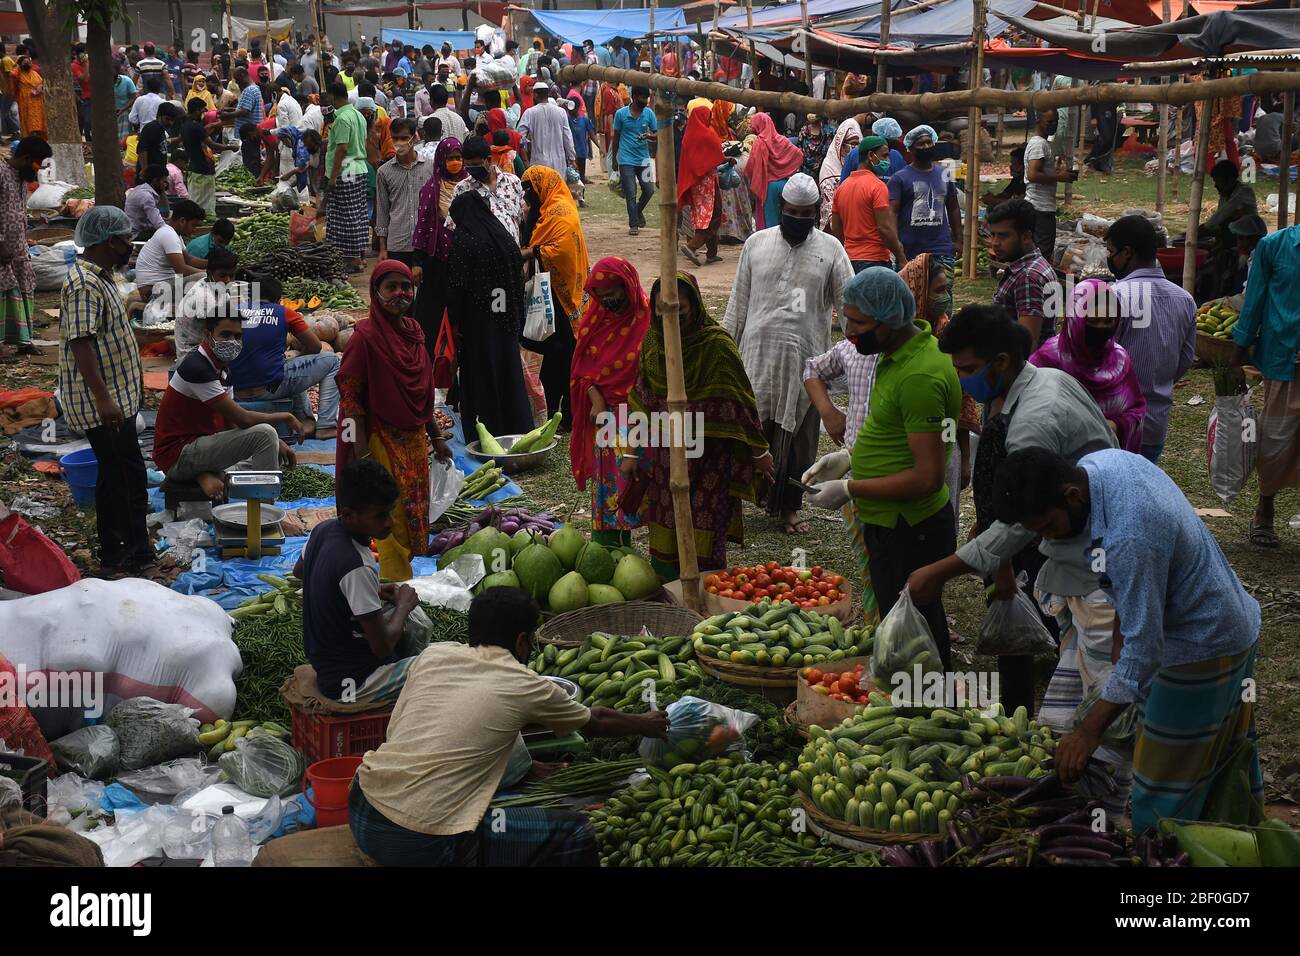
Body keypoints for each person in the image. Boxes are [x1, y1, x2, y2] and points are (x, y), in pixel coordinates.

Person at [992, 447, 1261, 834]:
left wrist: (1087, 732)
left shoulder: (1130, 536)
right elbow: (1134, 591)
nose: (1047, 538)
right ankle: (1246, 846)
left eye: (1048, 526)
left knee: (1163, 790)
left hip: (1201, 644)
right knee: (1226, 766)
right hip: (1225, 622)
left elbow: (1145, 652)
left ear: (1071, 495)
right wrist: (1123, 630)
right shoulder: (1102, 466)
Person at [349, 586, 667, 866]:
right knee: (575, 830)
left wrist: (524, 768)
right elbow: (595, 721)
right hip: (418, 839)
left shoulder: (434, 655)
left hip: (362, 806)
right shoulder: (523, 682)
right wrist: (645, 723)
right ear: (521, 641)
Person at [904, 303, 1118, 718]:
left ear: (1000, 361)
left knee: (1098, 657)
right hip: (1073, 533)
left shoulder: (1034, 420)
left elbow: (1021, 521)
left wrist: (941, 571)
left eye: (967, 370)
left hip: (1087, 547)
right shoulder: (1040, 380)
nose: (962, 380)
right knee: (1075, 649)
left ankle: (1090, 742)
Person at [802, 268, 960, 671]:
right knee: (899, 622)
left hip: (911, 526)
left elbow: (928, 477)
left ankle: (927, 708)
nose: (849, 330)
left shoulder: (921, 374)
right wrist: (850, 459)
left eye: (858, 322)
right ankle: (910, 699)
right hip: (889, 520)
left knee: (916, 629)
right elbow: (893, 436)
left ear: (889, 318)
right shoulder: (892, 356)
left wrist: (851, 489)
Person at [725, 174, 853, 534]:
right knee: (750, 433)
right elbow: (738, 304)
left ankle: (789, 509)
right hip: (757, 358)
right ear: (781, 209)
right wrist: (724, 350)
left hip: (806, 363)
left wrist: (859, 351)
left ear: (816, 212)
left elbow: (847, 309)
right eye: (792, 211)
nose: (798, 218)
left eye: (806, 213)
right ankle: (744, 503)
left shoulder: (831, 250)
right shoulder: (755, 244)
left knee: (799, 441)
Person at [624, 272, 772, 577]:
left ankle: (707, 590)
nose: (671, 318)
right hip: (666, 455)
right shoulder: (653, 342)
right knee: (666, 522)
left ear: (695, 306)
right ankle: (669, 589)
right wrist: (630, 452)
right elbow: (642, 397)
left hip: (710, 459)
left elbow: (741, 402)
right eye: (663, 310)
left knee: (704, 525)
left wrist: (758, 452)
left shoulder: (716, 345)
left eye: (680, 309)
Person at [336, 260, 451, 580]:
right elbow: (351, 399)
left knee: (415, 510)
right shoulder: (365, 338)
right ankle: (392, 585)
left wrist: (437, 436)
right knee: (390, 515)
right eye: (391, 287)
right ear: (375, 292)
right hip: (381, 440)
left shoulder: (414, 333)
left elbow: (423, 393)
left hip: (415, 443)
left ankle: (402, 579)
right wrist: (363, 457)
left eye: (406, 286)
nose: (400, 293)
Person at [57, 207, 152, 574]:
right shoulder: (84, 284)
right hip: (104, 403)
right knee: (120, 478)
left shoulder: (102, 277)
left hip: (116, 398)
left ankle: (132, 550)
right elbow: (81, 344)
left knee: (125, 472)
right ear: (110, 241)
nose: (130, 245)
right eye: (126, 239)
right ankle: (122, 555)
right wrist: (104, 399)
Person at [153, 313, 303, 500]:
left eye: (237, 336)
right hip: (178, 454)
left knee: (271, 448)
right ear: (208, 336)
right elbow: (243, 418)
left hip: (200, 447)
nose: (232, 341)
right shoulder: (197, 367)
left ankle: (206, 474)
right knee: (265, 434)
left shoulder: (223, 367)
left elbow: (231, 422)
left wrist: (276, 443)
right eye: (225, 335)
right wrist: (286, 417)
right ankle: (265, 509)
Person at [569, 258, 653, 548]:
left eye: (613, 295)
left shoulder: (648, 321)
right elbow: (582, 370)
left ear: (627, 286)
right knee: (610, 488)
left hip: (645, 417)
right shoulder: (595, 321)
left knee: (646, 487)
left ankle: (662, 558)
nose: (607, 302)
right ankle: (610, 551)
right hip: (608, 418)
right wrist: (596, 400)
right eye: (601, 297)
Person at [1105, 214, 1196, 463]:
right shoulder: (1185, 300)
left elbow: (1098, 360)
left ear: (1127, 253)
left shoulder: (1115, 296)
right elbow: (1185, 360)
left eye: (1111, 251)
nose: (1109, 257)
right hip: (1155, 424)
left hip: (1114, 423)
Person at [1232, 219, 1300, 548]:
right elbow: (1254, 300)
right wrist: (1238, 351)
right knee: (1275, 439)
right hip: (1284, 359)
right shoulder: (1275, 247)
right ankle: (1265, 510)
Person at [446, 190, 534, 440]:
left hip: (478, 323)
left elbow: (457, 287)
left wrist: (454, 320)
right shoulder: (503, 238)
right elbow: (517, 278)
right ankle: (516, 428)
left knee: (482, 376)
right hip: (506, 320)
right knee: (508, 373)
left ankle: (486, 431)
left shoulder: (465, 241)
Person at [899, 255, 979, 514]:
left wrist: (965, 459)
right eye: (939, 290)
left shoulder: (948, 333)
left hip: (947, 442)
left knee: (944, 514)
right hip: (902, 446)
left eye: (947, 290)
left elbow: (963, 400)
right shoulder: (894, 342)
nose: (945, 297)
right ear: (917, 291)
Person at [1029, 278, 1147, 453]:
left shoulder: (1119, 359)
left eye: (1108, 322)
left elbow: (1137, 409)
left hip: (1108, 458)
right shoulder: (1048, 360)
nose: (1101, 328)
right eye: (1093, 321)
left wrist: (1115, 426)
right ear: (1075, 319)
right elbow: (1030, 412)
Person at [227, 275, 341, 442]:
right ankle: (327, 426)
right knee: (333, 361)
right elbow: (316, 347)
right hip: (268, 389)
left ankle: (305, 419)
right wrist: (300, 357)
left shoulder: (234, 311)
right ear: (278, 300)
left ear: (251, 297)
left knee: (287, 366)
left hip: (233, 391)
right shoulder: (284, 312)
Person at [519, 166, 590, 431]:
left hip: (563, 294)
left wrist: (530, 253)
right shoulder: (544, 211)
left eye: (530, 188)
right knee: (551, 360)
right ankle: (556, 414)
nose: (527, 194)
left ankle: (569, 416)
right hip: (548, 291)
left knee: (563, 358)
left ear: (543, 187)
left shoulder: (562, 212)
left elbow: (560, 251)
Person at [890, 125, 962, 312]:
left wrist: (958, 239)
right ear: (911, 149)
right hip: (910, 252)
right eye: (921, 144)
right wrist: (896, 246)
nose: (926, 146)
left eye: (929, 142)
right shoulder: (899, 178)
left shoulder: (944, 174)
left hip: (941, 251)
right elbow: (892, 213)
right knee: (913, 304)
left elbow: (953, 207)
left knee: (942, 303)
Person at [410, 137, 466, 359]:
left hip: (462, 261)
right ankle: (428, 359)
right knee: (431, 315)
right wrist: (417, 262)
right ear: (442, 159)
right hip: (436, 261)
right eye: (451, 158)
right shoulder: (431, 189)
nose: (455, 162)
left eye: (458, 158)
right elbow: (422, 226)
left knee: (459, 316)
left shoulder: (469, 186)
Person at [0, 138, 49, 358]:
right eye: (38, 163)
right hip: (2, 249)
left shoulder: (21, 178)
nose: (39, 168)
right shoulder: (1, 172)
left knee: (24, 289)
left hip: (19, 247)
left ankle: (24, 340)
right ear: (27, 158)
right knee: (3, 293)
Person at [989, 198, 1059, 348]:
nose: (995, 243)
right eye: (993, 234)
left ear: (1026, 236)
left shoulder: (1028, 277)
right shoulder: (1039, 265)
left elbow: (1027, 343)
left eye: (1003, 235)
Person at [831, 135, 907, 273]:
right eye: (884, 156)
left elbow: (836, 228)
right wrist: (901, 256)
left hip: (849, 261)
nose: (887, 161)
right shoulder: (877, 187)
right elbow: (884, 228)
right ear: (871, 156)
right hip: (875, 261)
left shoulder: (842, 188)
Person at [375, 117, 433, 274]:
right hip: (398, 242)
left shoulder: (430, 167)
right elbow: (382, 210)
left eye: (404, 138)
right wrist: (382, 248)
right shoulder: (384, 172)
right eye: (395, 138)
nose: (399, 142)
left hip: (425, 243)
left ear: (414, 138)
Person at [134, 198, 207, 318]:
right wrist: (209, 273)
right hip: (153, 291)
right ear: (182, 221)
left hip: (162, 286)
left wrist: (214, 264)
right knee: (204, 278)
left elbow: (189, 260)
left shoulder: (174, 234)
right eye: (193, 225)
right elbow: (181, 269)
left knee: (206, 278)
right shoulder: (169, 235)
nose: (194, 230)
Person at [324, 82, 370, 272]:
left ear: (334, 96)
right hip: (358, 168)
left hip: (347, 170)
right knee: (358, 214)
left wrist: (333, 177)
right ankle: (359, 255)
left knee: (347, 216)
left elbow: (342, 148)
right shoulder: (358, 115)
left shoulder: (343, 118)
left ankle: (352, 259)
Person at [1023, 109, 1077, 259]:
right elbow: (1033, 174)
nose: (1053, 125)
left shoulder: (1043, 143)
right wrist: (1060, 176)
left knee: (1035, 252)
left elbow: (1040, 171)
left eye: (1056, 122)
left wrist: (1057, 171)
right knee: (1042, 253)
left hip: (1039, 205)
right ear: (1038, 121)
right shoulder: (1039, 144)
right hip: (1041, 207)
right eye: (1049, 122)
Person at [677, 104, 726, 266]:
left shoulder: (689, 135)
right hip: (707, 184)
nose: (710, 120)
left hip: (695, 183)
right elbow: (717, 154)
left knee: (703, 215)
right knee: (712, 216)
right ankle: (692, 246)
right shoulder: (706, 135)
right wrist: (727, 159)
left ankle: (712, 253)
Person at [743, 112, 804, 232]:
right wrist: (785, 171)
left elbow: (751, 166)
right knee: (784, 220)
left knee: (770, 225)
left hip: (768, 187)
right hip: (785, 185)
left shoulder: (760, 142)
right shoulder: (781, 139)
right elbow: (799, 155)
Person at [610, 86, 658, 236]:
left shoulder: (649, 113)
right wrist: (614, 159)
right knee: (631, 193)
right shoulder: (621, 114)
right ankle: (634, 224)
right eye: (644, 98)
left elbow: (657, 134)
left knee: (649, 190)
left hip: (643, 159)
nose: (646, 101)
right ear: (636, 97)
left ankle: (636, 211)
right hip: (626, 159)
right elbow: (616, 137)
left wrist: (648, 136)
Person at [181, 97, 235, 218]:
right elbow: (213, 145)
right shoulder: (196, 127)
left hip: (194, 168)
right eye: (202, 110)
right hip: (202, 169)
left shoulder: (185, 126)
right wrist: (231, 147)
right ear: (196, 111)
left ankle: (196, 224)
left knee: (196, 200)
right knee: (205, 204)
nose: (203, 113)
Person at [519, 82, 576, 179]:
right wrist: (572, 158)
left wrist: (525, 152)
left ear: (535, 95)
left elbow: (520, 136)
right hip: (559, 163)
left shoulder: (530, 113)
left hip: (539, 162)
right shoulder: (561, 112)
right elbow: (567, 137)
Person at [817, 117, 861, 228]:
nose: (855, 147)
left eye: (857, 144)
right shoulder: (829, 166)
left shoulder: (858, 164)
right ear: (841, 143)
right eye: (851, 143)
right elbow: (829, 202)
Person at [136, 102, 181, 175]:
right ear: (159, 115)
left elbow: (161, 144)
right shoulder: (152, 127)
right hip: (150, 175)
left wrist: (178, 139)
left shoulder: (161, 129)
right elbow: (142, 149)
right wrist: (145, 170)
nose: (170, 123)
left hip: (158, 175)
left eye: (172, 120)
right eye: (167, 119)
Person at [10, 55, 45, 138]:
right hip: (25, 101)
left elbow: (42, 83)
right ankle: (30, 138)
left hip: (37, 100)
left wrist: (39, 88)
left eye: (28, 62)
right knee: (29, 121)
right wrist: (18, 66)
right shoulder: (18, 74)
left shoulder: (35, 74)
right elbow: (12, 75)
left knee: (39, 121)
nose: (27, 64)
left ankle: (38, 137)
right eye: (24, 63)